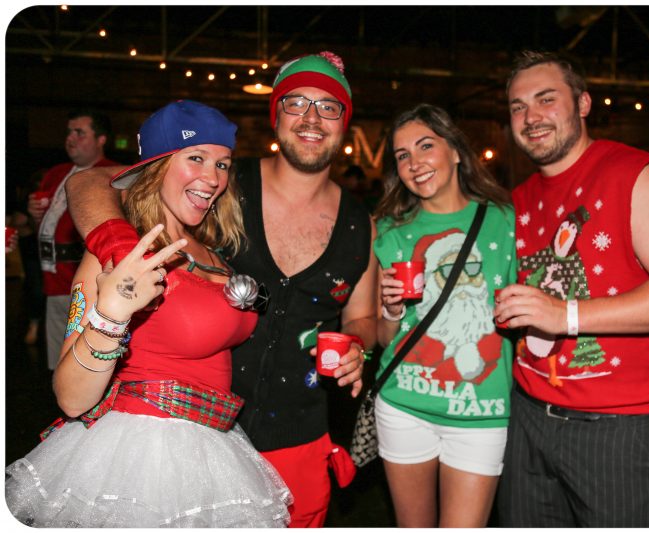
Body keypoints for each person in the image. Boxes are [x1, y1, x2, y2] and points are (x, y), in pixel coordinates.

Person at [64, 52, 377, 528]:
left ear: (345, 122)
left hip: (292, 437)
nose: (312, 118)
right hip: (174, 447)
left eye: (329, 106)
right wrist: (119, 255)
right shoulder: (228, 188)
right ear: (275, 115)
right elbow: (90, 180)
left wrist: (357, 344)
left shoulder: (357, 223)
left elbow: (363, 318)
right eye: (296, 102)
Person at [6, 100, 291, 527]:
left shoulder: (213, 254)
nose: (213, 178)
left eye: (222, 164)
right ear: (156, 167)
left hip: (214, 447)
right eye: (196, 158)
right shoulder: (120, 257)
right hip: (139, 459)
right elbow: (70, 397)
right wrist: (111, 316)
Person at [493, 50, 649, 527]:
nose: (531, 117)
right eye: (517, 106)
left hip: (614, 427)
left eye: (546, 99)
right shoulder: (519, 198)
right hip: (527, 417)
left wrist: (566, 315)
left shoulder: (631, 173)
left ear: (583, 103)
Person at [372, 104, 516, 527]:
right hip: (404, 406)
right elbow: (384, 338)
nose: (414, 163)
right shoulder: (388, 230)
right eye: (402, 155)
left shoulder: (505, 221)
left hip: (482, 412)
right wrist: (391, 310)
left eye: (425, 146)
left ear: (455, 151)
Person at [27, 109, 119, 370]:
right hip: (52, 277)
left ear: (101, 139)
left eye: (80, 133)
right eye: (69, 132)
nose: (71, 138)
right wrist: (34, 216)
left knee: (87, 361)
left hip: (88, 280)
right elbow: (41, 228)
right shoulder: (56, 173)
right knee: (58, 363)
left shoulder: (111, 173)